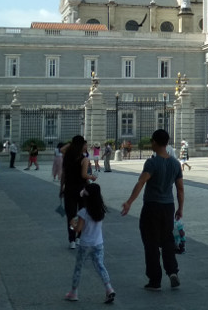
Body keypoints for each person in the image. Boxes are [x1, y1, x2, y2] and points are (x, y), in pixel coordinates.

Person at [120, 129, 184, 292]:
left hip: (152, 206)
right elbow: (180, 189)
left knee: (151, 243)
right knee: (168, 240)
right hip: (168, 207)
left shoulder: (152, 163)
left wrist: (129, 202)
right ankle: (172, 271)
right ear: (167, 143)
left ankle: (155, 280)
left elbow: (141, 182)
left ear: (155, 142)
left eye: (152, 142)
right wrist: (180, 208)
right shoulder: (175, 164)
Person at [65, 183, 116, 304]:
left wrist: (72, 223)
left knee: (78, 268)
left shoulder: (84, 212)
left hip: (85, 244)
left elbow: (78, 229)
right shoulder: (101, 210)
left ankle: (74, 292)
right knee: (100, 266)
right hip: (98, 243)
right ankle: (109, 288)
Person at [61, 136, 97, 249]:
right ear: (81, 145)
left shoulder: (67, 157)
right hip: (82, 189)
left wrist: (61, 187)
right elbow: (84, 175)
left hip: (69, 189)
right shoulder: (84, 159)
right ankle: (79, 237)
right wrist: (92, 176)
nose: (86, 146)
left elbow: (62, 150)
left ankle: (71, 239)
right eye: (84, 144)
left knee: (70, 215)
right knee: (82, 213)